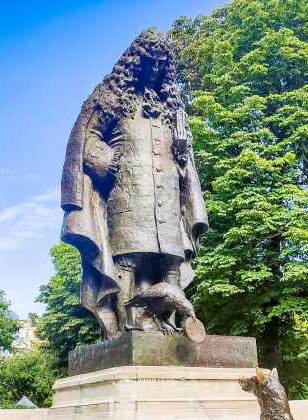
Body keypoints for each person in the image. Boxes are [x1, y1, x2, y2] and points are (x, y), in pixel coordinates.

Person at [61, 27, 208, 339]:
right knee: (129, 258)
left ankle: (164, 323)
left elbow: (185, 154)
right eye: (149, 62)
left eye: (160, 64)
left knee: (170, 258)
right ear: (136, 61)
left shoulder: (172, 105)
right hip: (129, 191)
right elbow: (84, 137)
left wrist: (183, 148)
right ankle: (127, 326)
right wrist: (103, 158)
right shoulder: (111, 96)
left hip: (167, 195)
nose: (154, 69)